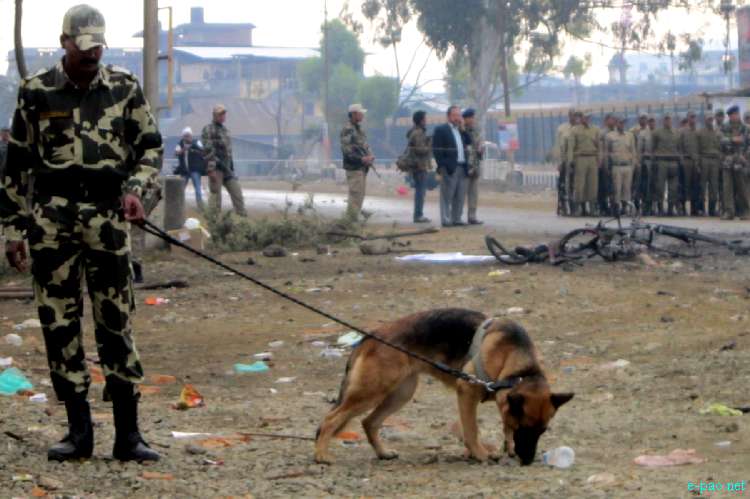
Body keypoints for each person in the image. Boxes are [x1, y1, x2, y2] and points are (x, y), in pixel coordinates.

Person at [0, 4, 160, 462]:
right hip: (53, 223)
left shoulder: (124, 88)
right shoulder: (36, 92)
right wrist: (13, 229)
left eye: (98, 47)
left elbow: (150, 148)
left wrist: (137, 192)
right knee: (59, 323)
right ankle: (78, 433)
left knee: (116, 320)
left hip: (108, 218)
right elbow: (17, 166)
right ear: (65, 42)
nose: (92, 55)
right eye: (83, 47)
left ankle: (129, 435)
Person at [202, 104, 247, 216]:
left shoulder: (225, 130)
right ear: (214, 115)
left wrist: (231, 168)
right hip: (216, 168)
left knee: (237, 194)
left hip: (227, 168)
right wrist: (211, 169)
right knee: (216, 199)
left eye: (223, 114)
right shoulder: (208, 129)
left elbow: (228, 152)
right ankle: (214, 222)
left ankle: (242, 220)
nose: (222, 116)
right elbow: (207, 150)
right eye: (220, 114)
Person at [432, 105, 471, 227]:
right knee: (447, 195)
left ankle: (457, 218)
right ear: (448, 116)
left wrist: (463, 129)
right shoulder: (441, 129)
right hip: (449, 167)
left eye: (459, 115)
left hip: (462, 166)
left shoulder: (460, 130)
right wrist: (442, 165)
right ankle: (446, 219)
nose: (457, 118)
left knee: (460, 195)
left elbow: (469, 141)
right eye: (455, 115)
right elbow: (436, 150)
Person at [340, 103, 375, 220]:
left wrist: (370, 155)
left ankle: (353, 220)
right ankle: (350, 222)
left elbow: (364, 145)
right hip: (354, 167)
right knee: (355, 195)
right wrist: (361, 159)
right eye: (361, 113)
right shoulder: (347, 129)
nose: (362, 115)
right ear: (354, 114)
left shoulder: (359, 129)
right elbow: (346, 150)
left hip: (362, 168)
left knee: (359, 195)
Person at [719, 105, 750, 220]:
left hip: (741, 160)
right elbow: (720, 139)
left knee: (742, 187)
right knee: (727, 188)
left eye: (736, 114)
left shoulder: (746, 128)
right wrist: (732, 139)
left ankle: (745, 211)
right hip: (728, 160)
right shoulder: (724, 127)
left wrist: (746, 156)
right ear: (729, 116)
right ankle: (729, 211)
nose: (734, 116)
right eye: (732, 115)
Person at [568, 110, 599, 216]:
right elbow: (571, 147)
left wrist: (599, 159)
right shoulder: (575, 130)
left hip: (592, 158)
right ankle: (577, 208)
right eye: (585, 117)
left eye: (589, 117)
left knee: (593, 184)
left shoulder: (595, 129)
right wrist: (570, 161)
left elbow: (599, 146)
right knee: (579, 184)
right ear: (581, 118)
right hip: (580, 158)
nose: (587, 119)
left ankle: (593, 208)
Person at [605, 117, 637, 216]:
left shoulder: (630, 135)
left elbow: (633, 151)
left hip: (627, 165)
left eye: (623, 123)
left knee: (626, 189)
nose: (622, 125)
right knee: (617, 188)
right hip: (616, 166)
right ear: (616, 123)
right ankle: (616, 209)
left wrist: (633, 165)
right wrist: (607, 166)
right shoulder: (610, 136)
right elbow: (607, 152)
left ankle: (624, 208)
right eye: (620, 123)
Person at [651, 114, 682, 216]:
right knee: (660, 187)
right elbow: (653, 147)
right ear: (663, 121)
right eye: (666, 119)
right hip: (662, 162)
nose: (668, 121)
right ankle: (660, 209)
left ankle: (670, 209)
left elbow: (679, 147)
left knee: (673, 188)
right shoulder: (657, 133)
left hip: (673, 162)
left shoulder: (676, 133)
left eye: (669, 119)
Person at [405, 110, 432, 223]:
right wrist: (430, 144)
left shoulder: (415, 132)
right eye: (425, 119)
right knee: (420, 192)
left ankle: (418, 214)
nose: (426, 121)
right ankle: (418, 215)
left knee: (420, 191)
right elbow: (420, 150)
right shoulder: (418, 133)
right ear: (421, 120)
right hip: (419, 166)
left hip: (418, 165)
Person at [174, 127, 206, 211]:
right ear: (183, 136)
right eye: (185, 136)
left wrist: (193, 147)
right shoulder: (180, 144)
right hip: (184, 171)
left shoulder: (197, 142)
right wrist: (184, 149)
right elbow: (176, 153)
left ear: (191, 135)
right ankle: (178, 207)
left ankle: (200, 207)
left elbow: (203, 150)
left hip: (195, 169)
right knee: (181, 189)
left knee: (198, 189)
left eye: (189, 135)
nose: (187, 137)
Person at [696, 114, 722, 216]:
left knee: (714, 186)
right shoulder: (700, 133)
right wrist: (697, 163)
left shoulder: (717, 133)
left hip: (715, 160)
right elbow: (697, 148)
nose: (710, 121)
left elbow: (720, 147)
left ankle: (712, 209)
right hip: (704, 159)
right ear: (705, 120)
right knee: (702, 186)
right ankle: (701, 209)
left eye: (711, 120)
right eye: (708, 120)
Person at [462, 108, 483, 224]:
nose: (473, 120)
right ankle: (457, 217)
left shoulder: (475, 131)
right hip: (465, 166)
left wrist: (480, 150)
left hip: (474, 165)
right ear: (466, 119)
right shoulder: (461, 131)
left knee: (473, 193)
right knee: (461, 193)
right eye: (471, 117)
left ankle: (472, 216)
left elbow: (478, 145)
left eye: (473, 117)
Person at [555, 109, 577, 216]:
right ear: (569, 116)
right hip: (565, 160)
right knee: (563, 185)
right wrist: (559, 162)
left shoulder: (579, 129)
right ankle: (562, 206)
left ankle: (574, 207)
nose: (574, 118)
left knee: (574, 185)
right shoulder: (562, 129)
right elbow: (558, 146)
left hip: (577, 161)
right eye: (572, 115)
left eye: (575, 116)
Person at [678, 111, 701, 215]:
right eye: (691, 117)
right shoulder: (682, 131)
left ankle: (694, 209)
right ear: (687, 118)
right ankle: (682, 208)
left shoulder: (698, 132)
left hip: (695, 162)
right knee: (684, 185)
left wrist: (698, 161)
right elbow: (679, 147)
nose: (693, 119)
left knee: (695, 186)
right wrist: (681, 160)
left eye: (694, 117)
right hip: (686, 161)